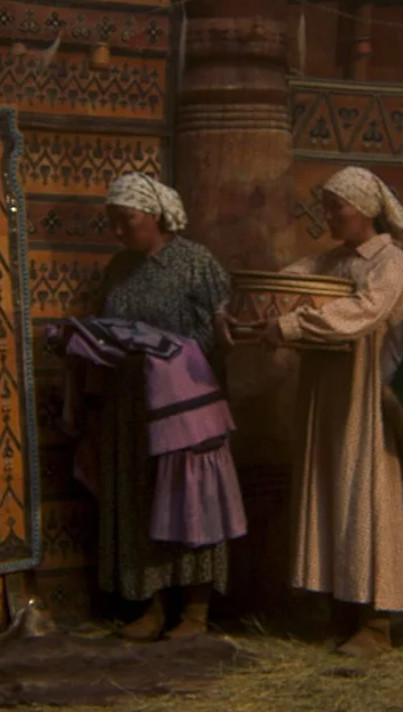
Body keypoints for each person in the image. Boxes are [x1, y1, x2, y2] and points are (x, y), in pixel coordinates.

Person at [259, 166, 403, 658]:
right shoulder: (329, 261)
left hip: (367, 396)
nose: (328, 216)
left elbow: (364, 311)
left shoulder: (390, 261)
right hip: (327, 395)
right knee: (331, 491)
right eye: (325, 207)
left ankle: (377, 623)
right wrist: (250, 308)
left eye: (337, 207)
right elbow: (281, 283)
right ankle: (341, 611)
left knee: (366, 494)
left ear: (365, 209)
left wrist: (292, 325)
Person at [87, 172, 236, 641]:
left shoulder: (196, 263)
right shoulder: (119, 268)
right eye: (113, 222)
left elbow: (219, 334)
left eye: (126, 220)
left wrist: (165, 352)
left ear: (154, 215)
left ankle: (194, 611)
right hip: (132, 404)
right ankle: (150, 605)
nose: (119, 232)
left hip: (184, 402)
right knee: (140, 498)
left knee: (190, 499)